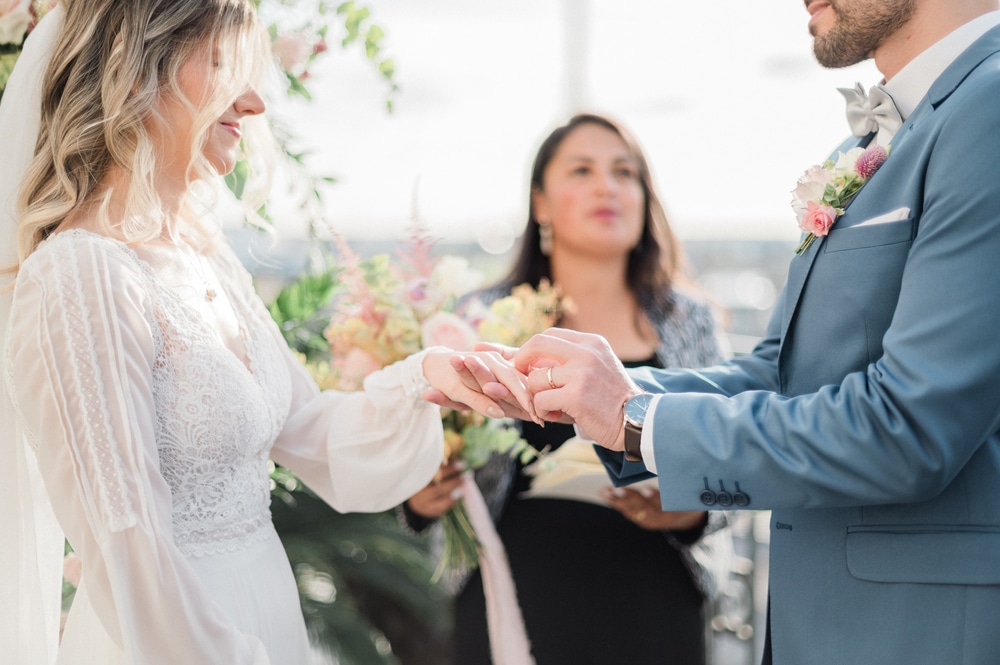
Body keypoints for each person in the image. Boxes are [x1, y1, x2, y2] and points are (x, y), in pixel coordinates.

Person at [461, 1, 1000, 663]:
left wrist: (636, 420)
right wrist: (580, 393)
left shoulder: (990, 107)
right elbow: (781, 371)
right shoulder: (865, 145)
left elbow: (911, 426)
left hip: (920, 632)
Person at [0, 2, 526, 663]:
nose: (253, 102)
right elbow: (127, 548)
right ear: (133, 72)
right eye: (223, 65)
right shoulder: (80, 274)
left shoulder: (203, 253)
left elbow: (311, 430)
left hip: (268, 614)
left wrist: (429, 377)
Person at [404, 113, 731, 665]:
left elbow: (732, 456)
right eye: (582, 170)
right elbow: (422, 451)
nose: (607, 186)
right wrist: (421, 492)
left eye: (625, 172)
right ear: (541, 203)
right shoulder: (476, 318)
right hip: (510, 599)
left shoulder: (689, 319)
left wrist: (692, 512)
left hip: (654, 604)